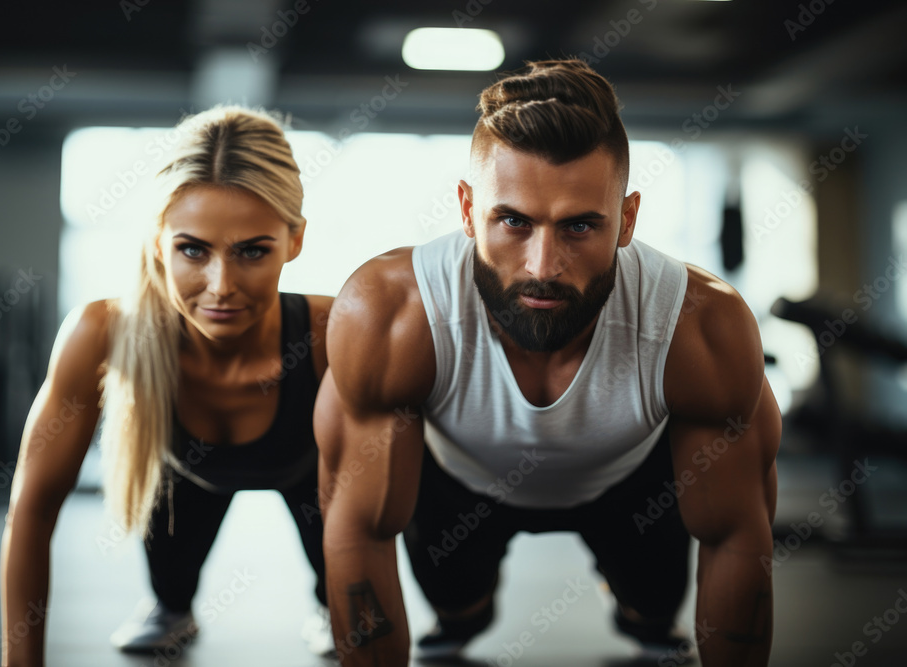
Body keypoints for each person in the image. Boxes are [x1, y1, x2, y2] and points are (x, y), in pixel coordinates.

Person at [314, 59, 780, 667]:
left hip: (629, 485)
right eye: (513, 221)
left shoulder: (698, 324)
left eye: (580, 226)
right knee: (457, 615)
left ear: (627, 220)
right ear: (465, 208)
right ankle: (466, 608)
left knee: (653, 620)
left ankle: (635, 605)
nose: (542, 265)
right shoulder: (392, 313)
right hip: (460, 489)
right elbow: (358, 534)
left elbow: (738, 536)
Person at [0, 105, 333, 666]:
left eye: (253, 251)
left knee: (345, 592)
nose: (221, 286)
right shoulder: (101, 332)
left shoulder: (331, 331)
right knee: (169, 585)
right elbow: (31, 513)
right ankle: (170, 605)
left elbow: (380, 517)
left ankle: (328, 606)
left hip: (313, 477)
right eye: (193, 249)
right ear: (159, 240)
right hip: (185, 478)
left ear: (294, 239)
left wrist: (357, 618)